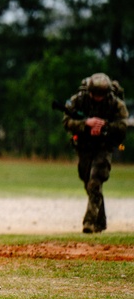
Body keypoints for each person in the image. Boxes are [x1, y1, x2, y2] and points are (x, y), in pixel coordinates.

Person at [61, 72, 128, 234]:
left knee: (95, 182)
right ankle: (101, 221)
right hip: (84, 147)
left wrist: (105, 126)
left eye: (101, 95)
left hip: (104, 147)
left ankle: (89, 222)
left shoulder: (115, 104)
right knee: (88, 182)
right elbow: (67, 121)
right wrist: (86, 124)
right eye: (95, 94)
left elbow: (123, 126)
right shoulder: (79, 100)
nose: (98, 98)